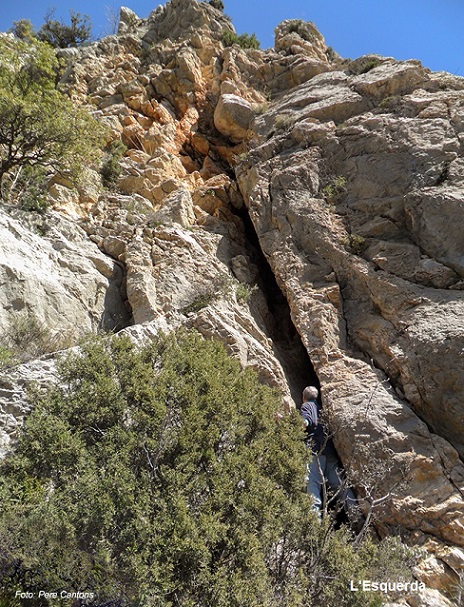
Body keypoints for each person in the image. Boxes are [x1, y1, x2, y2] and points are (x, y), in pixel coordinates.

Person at [300, 386, 358, 520]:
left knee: (312, 485)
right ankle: (356, 515)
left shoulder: (308, 406)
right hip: (330, 453)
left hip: (316, 453)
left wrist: (287, 423)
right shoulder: (322, 409)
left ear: (303, 398)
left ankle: (314, 522)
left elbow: (305, 421)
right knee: (340, 486)